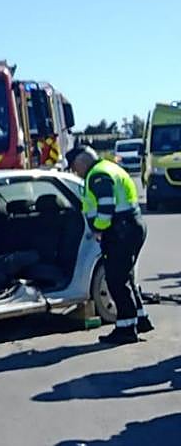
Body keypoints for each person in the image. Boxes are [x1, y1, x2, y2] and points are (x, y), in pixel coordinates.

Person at [66, 145, 151, 344]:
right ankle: (141, 319)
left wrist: (98, 228)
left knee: (116, 280)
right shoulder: (109, 167)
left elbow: (106, 207)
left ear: (80, 161)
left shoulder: (98, 175)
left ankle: (126, 329)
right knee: (125, 276)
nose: (74, 171)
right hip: (132, 226)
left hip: (120, 231)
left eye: (73, 167)